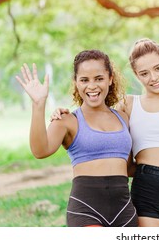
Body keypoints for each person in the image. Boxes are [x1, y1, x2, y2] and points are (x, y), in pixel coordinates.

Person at [51, 40, 159, 227]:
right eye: (144, 73)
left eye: (158, 68)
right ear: (136, 75)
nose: (153, 77)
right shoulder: (129, 105)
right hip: (147, 185)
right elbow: (98, 114)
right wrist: (61, 113)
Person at [15, 50, 138, 227]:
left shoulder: (123, 118)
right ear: (76, 83)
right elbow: (40, 150)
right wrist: (38, 105)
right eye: (84, 80)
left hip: (124, 210)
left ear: (110, 79)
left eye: (99, 78)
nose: (92, 86)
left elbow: (129, 167)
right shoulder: (67, 121)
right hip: (86, 210)